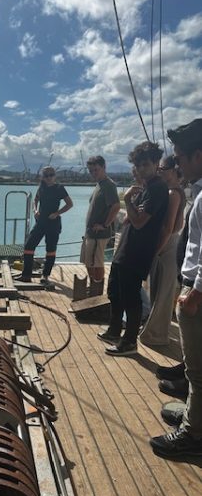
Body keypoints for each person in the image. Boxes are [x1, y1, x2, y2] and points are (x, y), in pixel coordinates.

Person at [150, 118, 202, 458]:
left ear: (198, 155)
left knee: (197, 372)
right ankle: (195, 415)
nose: (178, 165)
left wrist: (195, 293)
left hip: (197, 294)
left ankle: (193, 436)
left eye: (180, 157)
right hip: (195, 288)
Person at [98, 141, 168, 356]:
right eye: (138, 165)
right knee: (115, 291)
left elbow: (138, 222)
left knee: (131, 297)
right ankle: (114, 330)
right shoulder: (146, 188)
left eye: (146, 164)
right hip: (126, 249)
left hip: (137, 253)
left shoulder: (157, 189)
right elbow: (131, 219)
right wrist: (132, 203)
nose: (141, 169)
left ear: (156, 163)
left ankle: (129, 342)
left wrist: (127, 199)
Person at [139, 156, 186, 346]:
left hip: (167, 246)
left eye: (163, 169)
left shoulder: (173, 193)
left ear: (174, 171)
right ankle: (154, 332)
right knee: (157, 291)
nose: (159, 172)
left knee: (163, 295)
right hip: (166, 245)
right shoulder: (170, 191)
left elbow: (169, 227)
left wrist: (155, 251)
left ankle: (157, 335)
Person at [19, 166, 73, 286]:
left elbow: (70, 204)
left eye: (51, 175)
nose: (49, 178)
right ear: (42, 177)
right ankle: (26, 275)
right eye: (46, 175)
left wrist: (57, 213)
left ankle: (45, 276)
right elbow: (35, 200)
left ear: (55, 176)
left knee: (50, 250)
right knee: (29, 246)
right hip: (41, 222)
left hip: (53, 223)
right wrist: (35, 210)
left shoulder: (59, 188)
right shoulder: (41, 188)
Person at [81, 156, 120, 292]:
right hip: (91, 233)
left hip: (99, 234)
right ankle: (93, 286)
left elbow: (116, 206)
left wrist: (104, 225)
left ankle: (97, 290)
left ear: (104, 167)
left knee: (96, 263)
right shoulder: (100, 184)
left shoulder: (108, 185)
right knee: (89, 262)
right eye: (91, 171)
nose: (93, 173)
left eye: (96, 170)